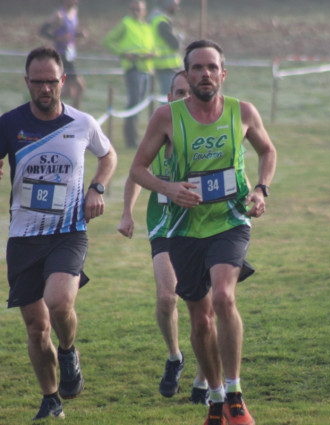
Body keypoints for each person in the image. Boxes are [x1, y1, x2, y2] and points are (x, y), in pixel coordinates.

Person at [129, 39, 277, 425]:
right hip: (184, 227)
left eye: (212, 67)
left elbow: (268, 151)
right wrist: (169, 188)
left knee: (224, 297)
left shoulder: (243, 111)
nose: (205, 74)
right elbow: (138, 169)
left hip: (230, 220)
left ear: (223, 74)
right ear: (187, 74)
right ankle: (214, 398)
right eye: (197, 68)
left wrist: (261, 189)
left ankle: (235, 394)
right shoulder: (166, 117)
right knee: (200, 320)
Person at [0, 46, 117, 421]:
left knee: (59, 302)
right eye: (38, 82)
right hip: (23, 237)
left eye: (52, 81)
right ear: (27, 82)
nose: (45, 88)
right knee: (36, 328)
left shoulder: (82, 123)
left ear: (63, 80)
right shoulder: (9, 123)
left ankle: (68, 351)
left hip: (68, 231)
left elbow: (108, 155)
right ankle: (51, 400)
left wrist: (97, 187)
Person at [118, 70, 209, 404]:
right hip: (165, 225)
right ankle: (175, 357)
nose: (185, 97)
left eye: (190, 92)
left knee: (205, 307)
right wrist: (127, 213)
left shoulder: (206, 135)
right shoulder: (159, 131)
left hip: (203, 225)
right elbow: (135, 173)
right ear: (169, 98)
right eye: (179, 92)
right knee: (167, 296)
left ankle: (203, 380)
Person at [103, 1, 155, 149]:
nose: (136, 12)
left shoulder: (147, 27)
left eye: (139, 9)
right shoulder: (126, 24)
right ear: (129, 10)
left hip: (146, 69)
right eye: (133, 9)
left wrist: (152, 54)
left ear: (144, 11)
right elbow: (107, 41)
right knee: (134, 103)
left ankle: (136, 137)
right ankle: (131, 139)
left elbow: (151, 46)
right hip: (133, 69)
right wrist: (123, 54)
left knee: (140, 103)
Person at [39, 0, 86, 109]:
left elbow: (70, 32)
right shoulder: (58, 15)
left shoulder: (74, 12)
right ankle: (74, 117)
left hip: (70, 55)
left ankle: (40, 101)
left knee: (69, 92)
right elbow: (42, 31)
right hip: (62, 55)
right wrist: (57, 38)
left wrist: (78, 34)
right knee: (80, 87)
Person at [149, 0, 183, 98]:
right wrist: (179, 38)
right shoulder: (162, 22)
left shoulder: (155, 19)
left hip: (163, 65)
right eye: (175, 5)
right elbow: (175, 44)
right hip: (167, 65)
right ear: (168, 5)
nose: (177, 8)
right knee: (168, 96)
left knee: (168, 96)